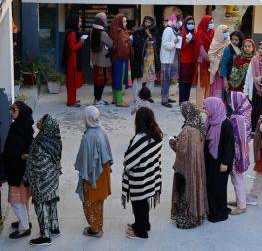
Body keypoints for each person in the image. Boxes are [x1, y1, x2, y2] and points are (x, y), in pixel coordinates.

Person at [122, 107, 163, 240]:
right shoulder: (156, 135)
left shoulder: (140, 138)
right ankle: (144, 224)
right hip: (150, 176)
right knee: (143, 203)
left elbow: (129, 161)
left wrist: (126, 160)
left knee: (138, 204)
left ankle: (141, 232)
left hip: (139, 179)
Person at [74, 106, 112, 238]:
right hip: (103, 172)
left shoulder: (88, 137)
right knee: (99, 199)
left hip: (91, 176)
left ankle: (95, 229)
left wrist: (84, 177)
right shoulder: (102, 130)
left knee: (89, 201)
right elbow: (108, 152)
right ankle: (98, 225)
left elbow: (84, 162)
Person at [169, 102, 208, 229]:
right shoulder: (200, 128)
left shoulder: (186, 130)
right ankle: (197, 213)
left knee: (186, 190)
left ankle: (187, 215)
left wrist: (172, 142)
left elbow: (181, 150)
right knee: (195, 187)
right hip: (197, 167)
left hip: (186, 169)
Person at [25, 114, 63, 246]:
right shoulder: (55, 139)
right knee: (52, 202)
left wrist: (28, 158)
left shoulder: (41, 141)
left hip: (41, 181)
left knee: (41, 206)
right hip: (52, 178)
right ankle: (54, 227)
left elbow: (38, 162)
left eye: (41, 121)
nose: (38, 122)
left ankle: (45, 236)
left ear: (47, 126)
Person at [3, 101, 34, 239]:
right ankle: (26, 221)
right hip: (20, 169)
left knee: (16, 201)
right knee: (23, 198)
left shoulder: (20, 128)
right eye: (11, 109)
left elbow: (21, 149)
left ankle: (24, 228)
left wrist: (21, 155)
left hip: (18, 170)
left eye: (14, 110)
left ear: (21, 112)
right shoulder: (24, 126)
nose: (11, 112)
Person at [203, 97, 235, 222]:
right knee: (211, 186)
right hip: (211, 161)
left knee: (219, 188)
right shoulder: (210, 121)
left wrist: (225, 163)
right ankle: (212, 209)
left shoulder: (225, 124)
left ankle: (219, 213)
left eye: (206, 108)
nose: (205, 110)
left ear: (214, 107)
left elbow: (229, 146)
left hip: (221, 163)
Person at [227, 91, 252, 215]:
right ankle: (240, 200)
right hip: (243, 151)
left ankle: (241, 206)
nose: (231, 104)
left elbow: (234, 137)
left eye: (232, 101)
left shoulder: (237, 118)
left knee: (236, 178)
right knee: (239, 178)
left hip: (237, 154)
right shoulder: (245, 111)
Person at [131, 15, 159, 102]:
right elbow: (135, 44)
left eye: (149, 22)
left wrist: (149, 36)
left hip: (151, 58)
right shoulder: (138, 32)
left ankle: (147, 95)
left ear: (153, 23)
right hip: (140, 59)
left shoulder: (155, 32)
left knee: (151, 77)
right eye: (146, 22)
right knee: (139, 77)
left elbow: (155, 45)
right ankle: (137, 97)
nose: (147, 24)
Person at [63, 14, 86, 107]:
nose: (80, 23)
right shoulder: (72, 33)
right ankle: (71, 102)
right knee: (72, 81)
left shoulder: (71, 32)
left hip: (72, 58)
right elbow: (73, 47)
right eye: (79, 21)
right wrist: (81, 42)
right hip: (73, 59)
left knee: (72, 80)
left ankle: (72, 99)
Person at [110, 14, 133, 107]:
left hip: (115, 58)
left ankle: (115, 98)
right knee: (119, 78)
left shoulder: (114, 30)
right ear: (119, 22)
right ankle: (119, 101)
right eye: (124, 21)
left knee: (115, 78)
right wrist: (130, 42)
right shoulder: (120, 32)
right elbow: (124, 47)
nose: (126, 23)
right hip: (121, 58)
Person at [90, 12, 113, 106]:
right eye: (105, 20)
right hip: (103, 61)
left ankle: (96, 99)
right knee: (101, 82)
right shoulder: (102, 33)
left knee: (96, 81)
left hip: (96, 61)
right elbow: (111, 44)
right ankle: (98, 99)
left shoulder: (93, 32)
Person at [195, 15, 215, 107]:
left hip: (211, 62)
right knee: (201, 84)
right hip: (203, 61)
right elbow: (200, 48)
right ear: (205, 22)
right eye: (210, 22)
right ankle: (199, 105)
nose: (211, 24)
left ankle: (206, 104)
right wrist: (208, 57)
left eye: (212, 22)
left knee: (208, 84)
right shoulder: (199, 32)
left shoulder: (212, 32)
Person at [160, 14, 179, 108]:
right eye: (175, 21)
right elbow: (165, 44)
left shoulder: (172, 30)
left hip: (170, 59)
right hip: (166, 59)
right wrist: (174, 42)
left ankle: (166, 97)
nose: (176, 23)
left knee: (168, 79)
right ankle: (164, 99)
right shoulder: (168, 30)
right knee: (165, 80)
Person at [208, 24, 230, 99]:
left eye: (227, 31)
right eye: (224, 32)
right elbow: (210, 56)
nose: (227, 33)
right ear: (219, 32)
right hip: (216, 70)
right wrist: (218, 60)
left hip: (225, 70)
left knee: (224, 86)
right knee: (216, 87)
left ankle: (223, 104)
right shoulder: (214, 43)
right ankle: (215, 103)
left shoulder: (228, 42)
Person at [178, 16, 197, 104]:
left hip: (192, 62)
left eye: (192, 23)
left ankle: (187, 101)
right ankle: (182, 102)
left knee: (189, 83)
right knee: (183, 83)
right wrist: (187, 41)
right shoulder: (182, 33)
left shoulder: (195, 33)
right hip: (184, 61)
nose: (191, 25)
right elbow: (180, 48)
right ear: (185, 24)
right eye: (189, 23)